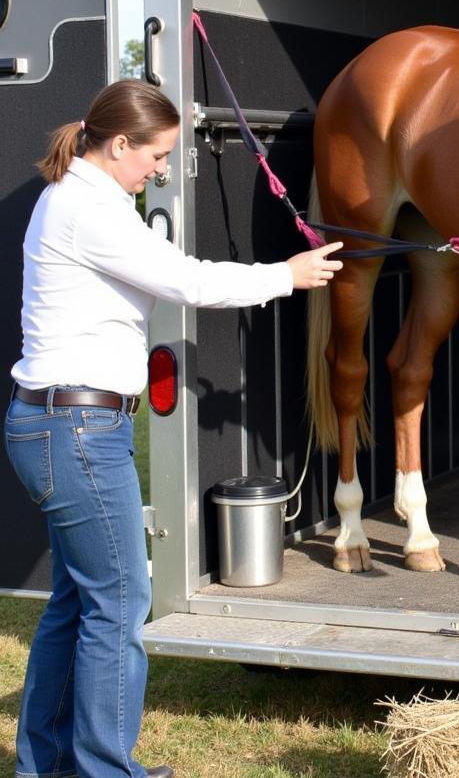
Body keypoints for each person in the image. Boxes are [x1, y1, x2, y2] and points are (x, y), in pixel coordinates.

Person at [4, 79, 342, 778]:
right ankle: (102, 770)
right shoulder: (87, 211)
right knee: (120, 600)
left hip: (63, 425)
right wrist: (287, 274)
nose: (161, 169)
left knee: (80, 599)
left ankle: (55, 765)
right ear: (119, 144)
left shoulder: (78, 199)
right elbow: (185, 281)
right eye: (155, 156)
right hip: (77, 432)